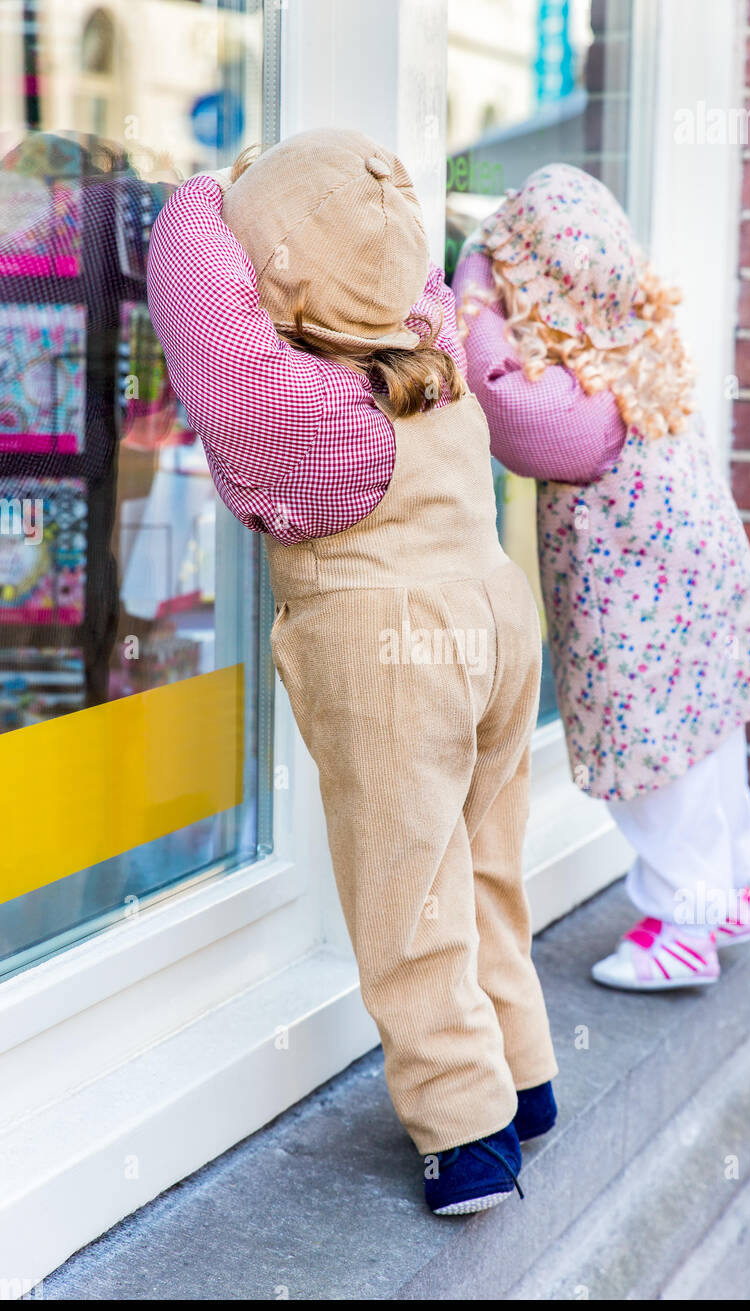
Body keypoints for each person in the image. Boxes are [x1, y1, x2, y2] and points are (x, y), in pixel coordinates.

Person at [146, 128, 558, 1215]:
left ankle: (463, 1128)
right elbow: (385, 247)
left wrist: (203, 190)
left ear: (275, 274)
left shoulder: (311, 411)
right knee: (484, 864)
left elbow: (199, 308)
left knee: (405, 892)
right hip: (495, 621)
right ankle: (525, 1073)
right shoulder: (431, 343)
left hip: (393, 653)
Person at [453, 163, 750, 993]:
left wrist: (472, 284)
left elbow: (506, 406)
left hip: (643, 625)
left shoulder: (582, 402)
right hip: (697, 603)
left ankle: (685, 924)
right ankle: (726, 890)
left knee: (657, 771)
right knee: (709, 743)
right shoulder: (638, 347)